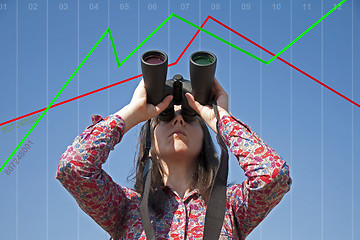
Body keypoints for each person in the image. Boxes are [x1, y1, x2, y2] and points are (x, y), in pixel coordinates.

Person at [56, 78, 292, 239]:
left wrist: (222, 120)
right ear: (149, 147)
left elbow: (272, 177)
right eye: (165, 117)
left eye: (190, 117)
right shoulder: (126, 207)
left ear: (205, 141)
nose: (178, 120)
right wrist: (132, 113)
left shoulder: (231, 206)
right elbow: (74, 168)